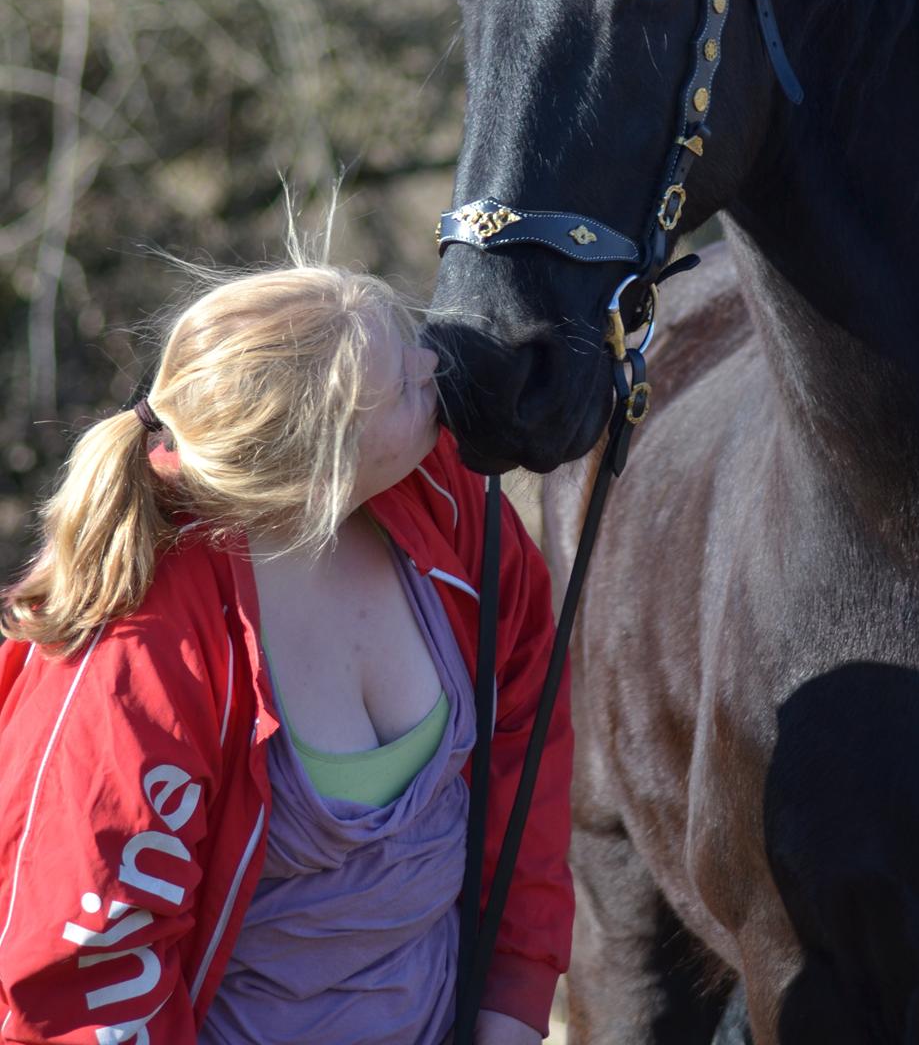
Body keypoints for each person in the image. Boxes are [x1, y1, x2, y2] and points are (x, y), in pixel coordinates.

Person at [0, 260, 572, 1044]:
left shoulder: (444, 507)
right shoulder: (138, 652)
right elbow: (82, 971)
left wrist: (513, 998)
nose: (434, 364)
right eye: (403, 384)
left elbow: (523, 737)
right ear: (320, 464)